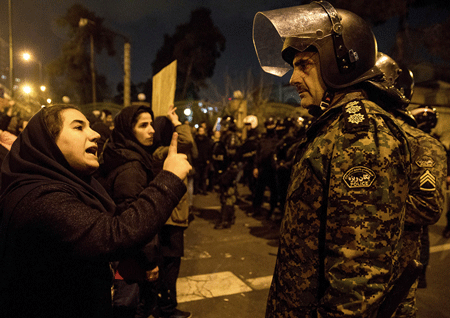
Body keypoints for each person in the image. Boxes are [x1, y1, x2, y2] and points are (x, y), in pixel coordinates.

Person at [253, 2, 411, 316]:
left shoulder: (361, 137)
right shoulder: (334, 127)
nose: (292, 79)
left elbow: (358, 278)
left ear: (341, 63)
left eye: (304, 65)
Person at [0, 104, 191, 318]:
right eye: (78, 127)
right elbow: (113, 236)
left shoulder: (59, 185)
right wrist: (170, 179)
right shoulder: (40, 198)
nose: (96, 134)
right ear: (47, 142)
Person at [366, 53, 447, 317]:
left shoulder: (421, 144)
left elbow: (428, 206)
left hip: (391, 280)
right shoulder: (360, 137)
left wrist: (362, 201)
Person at [97, 105, 161, 318]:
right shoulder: (132, 168)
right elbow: (136, 219)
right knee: (129, 308)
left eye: (151, 124)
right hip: (130, 258)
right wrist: (150, 260)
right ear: (128, 130)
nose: (152, 130)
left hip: (123, 253)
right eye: (144, 125)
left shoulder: (122, 154)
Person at [151, 107, 195, 318]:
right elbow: (187, 140)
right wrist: (177, 121)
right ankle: (167, 309)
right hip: (171, 219)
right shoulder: (162, 152)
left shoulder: (157, 151)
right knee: (170, 266)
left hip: (169, 217)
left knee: (167, 265)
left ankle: (165, 306)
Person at [212, 115, 241, 229]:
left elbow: (231, 156)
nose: (222, 127)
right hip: (224, 169)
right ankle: (230, 217)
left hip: (229, 170)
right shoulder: (225, 137)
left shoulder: (231, 137)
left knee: (228, 195)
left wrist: (228, 171)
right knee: (226, 194)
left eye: (224, 125)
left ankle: (226, 220)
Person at [250, 117, 279, 219]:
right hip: (263, 168)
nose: (270, 127)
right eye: (268, 125)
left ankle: (272, 210)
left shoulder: (278, 139)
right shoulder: (263, 138)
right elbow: (258, 154)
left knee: (274, 191)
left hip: (273, 168)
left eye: (271, 125)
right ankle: (256, 209)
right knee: (259, 190)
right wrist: (255, 167)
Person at [194, 125, 213, 195]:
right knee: (197, 177)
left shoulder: (207, 140)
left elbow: (209, 150)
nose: (201, 132)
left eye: (202, 131)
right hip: (197, 160)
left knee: (204, 177)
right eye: (200, 131)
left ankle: (204, 190)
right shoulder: (195, 140)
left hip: (205, 161)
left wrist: (208, 159)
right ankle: (196, 190)